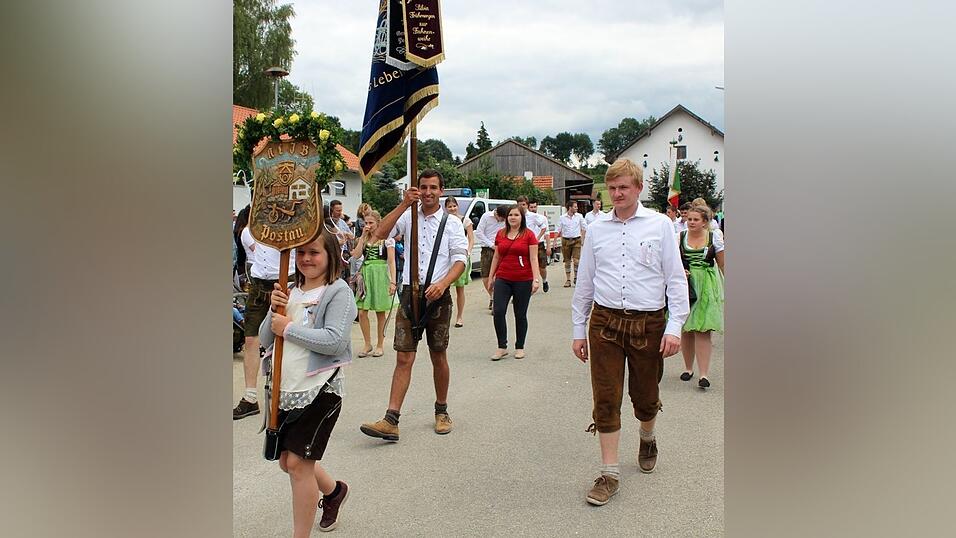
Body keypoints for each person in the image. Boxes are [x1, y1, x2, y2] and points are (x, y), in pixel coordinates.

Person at [570, 158, 689, 507]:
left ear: (638, 188)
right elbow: (585, 282)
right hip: (604, 322)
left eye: (624, 187)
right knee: (605, 398)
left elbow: (675, 279)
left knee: (645, 395)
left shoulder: (660, 226)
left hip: (648, 324)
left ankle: (647, 436)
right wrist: (579, 329)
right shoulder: (597, 228)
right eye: (612, 188)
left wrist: (675, 327)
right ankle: (609, 473)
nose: (618, 193)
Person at [259, 228, 355, 535]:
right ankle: (333, 491)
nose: (306, 259)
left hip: (320, 390)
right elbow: (265, 338)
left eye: (314, 252)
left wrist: (288, 328)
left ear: (330, 256)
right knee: (287, 461)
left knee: (299, 465)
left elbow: (334, 342)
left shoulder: (338, 291)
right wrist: (274, 308)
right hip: (285, 390)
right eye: (301, 253)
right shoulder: (290, 288)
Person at [360, 169, 468, 442]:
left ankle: (441, 411)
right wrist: (403, 203)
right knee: (403, 356)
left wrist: (443, 284)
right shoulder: (408, 217)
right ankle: (391, 419)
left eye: (433, 187)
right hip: (410, 294)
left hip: (438, 295)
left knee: (438, 354)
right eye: (423, 187)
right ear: (417, 189)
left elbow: (460, 260)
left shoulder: (452, 223)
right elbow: (379, 234)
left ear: (442, 191)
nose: (428, 192)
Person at [233, 226, 296, 420]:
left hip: (287, 280)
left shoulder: (293, 226)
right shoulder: (249, 230)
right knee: (251, 338)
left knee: (286, 338)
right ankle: (250, 397)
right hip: (259, 284)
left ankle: (287, 393)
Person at [678, 205, 725, 389]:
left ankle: (703, 374)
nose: (691, 222)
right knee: (686, 329)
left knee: (703, 330)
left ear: (705, 222)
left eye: (695, 219)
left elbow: (722, 264)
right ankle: (688, 368)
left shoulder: (715, 238)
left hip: (706, 285)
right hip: (686, 286)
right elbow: (672, 261)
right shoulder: (680, 237)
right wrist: (681, 271)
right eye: (689, 219)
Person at [486, 204, 541, 360]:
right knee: (498, 311)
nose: (513, 218)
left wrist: (536, 279)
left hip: (523, 279)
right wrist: (491, 277)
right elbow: (496, 257)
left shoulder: (529, 235)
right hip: (503, 278)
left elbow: (533, 258)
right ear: (506, 217)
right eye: (510, 215)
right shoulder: (500, 234)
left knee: (520, 314)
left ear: (522, 217)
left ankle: (520, 346)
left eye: (516, 215)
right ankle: (502, 346)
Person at [350, 210, 397, 358]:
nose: (368, 226)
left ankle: (380, 344)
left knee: (380, 311)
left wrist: (393, 281)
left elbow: (391, 261)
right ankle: (367, 343)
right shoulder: (364, 238)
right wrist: (363, 236)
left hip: (380, 275)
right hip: (366, 274)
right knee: (362, 311)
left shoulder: (386, 240)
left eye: (371, 223)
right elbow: (356, 255)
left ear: (378, 223)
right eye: (366, 223)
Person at [445, 196, 475, 327]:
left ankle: (459, 317)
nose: (452, 208)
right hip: (446, 259)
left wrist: (467, 252)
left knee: (459, 289)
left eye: (454, 206)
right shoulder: (443, 221)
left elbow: (471, 239)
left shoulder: (465, 220)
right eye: (449, 206)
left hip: (460, 257)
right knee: (443, 288)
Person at [474, 205, 508, 309]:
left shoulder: (506, 220)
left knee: (498, 276)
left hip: (501, 249)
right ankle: (492, 296)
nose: (502, 221)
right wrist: (491, 245)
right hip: (488, 249)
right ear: (496, 213)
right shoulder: (486, 217)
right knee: (485, 275)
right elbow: (479, 233)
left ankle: (496, 299)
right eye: (501, 219)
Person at [559, 200, 587, 287]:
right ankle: (568, 280)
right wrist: (556, 241)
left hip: (576, 240)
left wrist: (583, 238)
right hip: (566, 240)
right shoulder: (562, 217)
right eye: (575, 207)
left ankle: (576, 277)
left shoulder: (579, 216)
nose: (577, 208)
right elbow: (558, 229)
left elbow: (585, 227)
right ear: (570, 208)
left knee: (576, 260)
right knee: (567, 261)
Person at [526, 200, 552, 292]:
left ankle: (544, 281)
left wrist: (548, 246)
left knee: (542, 267)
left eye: (534, 207)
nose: (533, 209)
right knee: (528, 267)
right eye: (531, 207)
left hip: (540, 244)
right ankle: (529, 286)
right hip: (528, 245)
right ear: (528, 208)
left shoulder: (542, 218)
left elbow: (547, 232)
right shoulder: (525, 218)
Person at [328, 200, 355, 280]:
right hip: (333, 253)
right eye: (338, 210)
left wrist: (346, 234)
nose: (340, 213)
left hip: (344, 254)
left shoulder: (342, 222)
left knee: (345, 277)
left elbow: (352, 236)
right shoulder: (327, 223)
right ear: (331, 210)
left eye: (341, 210)